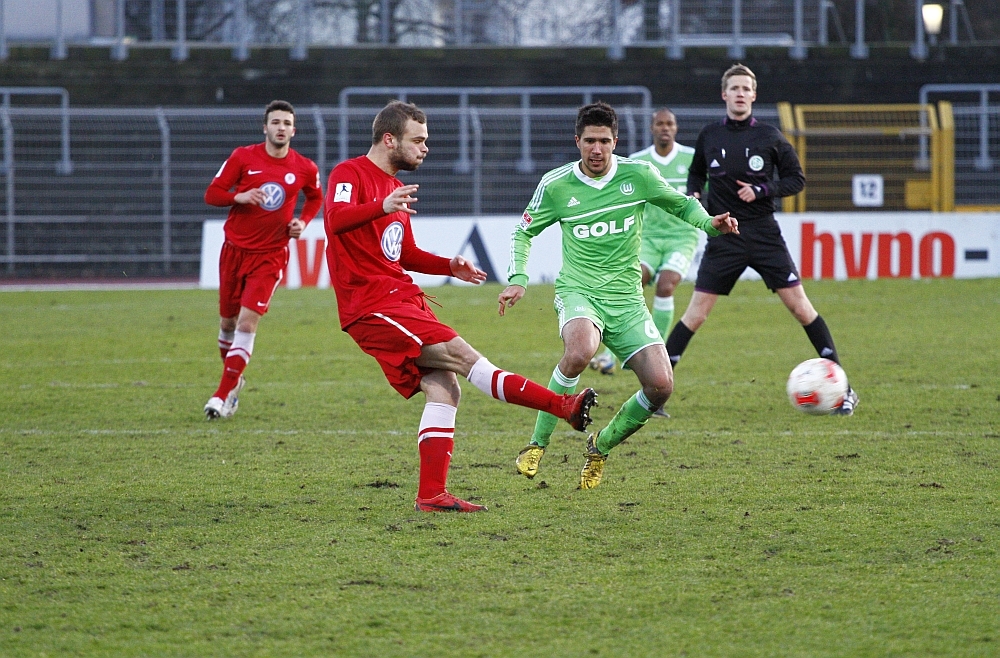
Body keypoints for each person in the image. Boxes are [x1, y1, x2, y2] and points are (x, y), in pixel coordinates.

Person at [324, 100, 597, 513]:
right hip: (373, 306)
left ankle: (432, 495)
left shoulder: (394, 188)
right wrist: (382, 206)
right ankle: (564, 406)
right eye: (418, 140)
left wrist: (448, 266)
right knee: (465, 357)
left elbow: (403, 253)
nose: (425, 148)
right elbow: (335, 220)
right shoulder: (351, 174)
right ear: (389, 139)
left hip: (401, 299)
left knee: (445, 387)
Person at [499, 102, 738, 489]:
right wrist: (518, 278)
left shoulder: (638, 175)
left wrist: (709, 223)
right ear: (577, 141)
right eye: (589, 141)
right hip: (580, 290)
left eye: (604, 141)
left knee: (661, 386)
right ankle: (537, 444)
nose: (597, 149)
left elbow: (680, 204)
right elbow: (523, 231)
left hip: (627, 299)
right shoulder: (556, 185)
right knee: (580, 350)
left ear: (616, 142)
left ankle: (601, 446)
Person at [664, 63, 859, 415]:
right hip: (725, 235)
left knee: (800, 308)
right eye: (734, 88)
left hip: (764, 234)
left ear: (753, 95)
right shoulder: (710, 135)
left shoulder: (770, 136)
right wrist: (694, 193)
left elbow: (796, 179)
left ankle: (844, 390)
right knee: (696, 315)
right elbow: (696, 172)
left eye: (746, 89)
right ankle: (654, 393)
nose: (740, 94)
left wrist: (762, 189)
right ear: (724, 94)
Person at [203, 100, 323, 419]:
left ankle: (221, 395)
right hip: (234, 251)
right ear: (265, 127)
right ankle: (234, 382)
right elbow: (212, 194)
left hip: (271, 256)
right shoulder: (243, 157)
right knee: (228, 324)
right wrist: (238, 196)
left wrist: (302, 222)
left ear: (294, 131)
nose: (281, 128)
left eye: (287, 123)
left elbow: (316, 197)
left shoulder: (305, 167)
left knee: (246, 323)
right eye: (276, 122)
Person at [589, 108, 699, 422]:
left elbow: (707, 189)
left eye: (670, 123)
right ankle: (610, 355)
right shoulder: (638, 161)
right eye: (659, 124)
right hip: (646, 238)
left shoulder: (692, 159)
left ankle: (655, 350)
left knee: (666, 284)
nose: (665, 128)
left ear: (676, 128)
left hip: (681, 237)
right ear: (652, 128)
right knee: (631, 283)